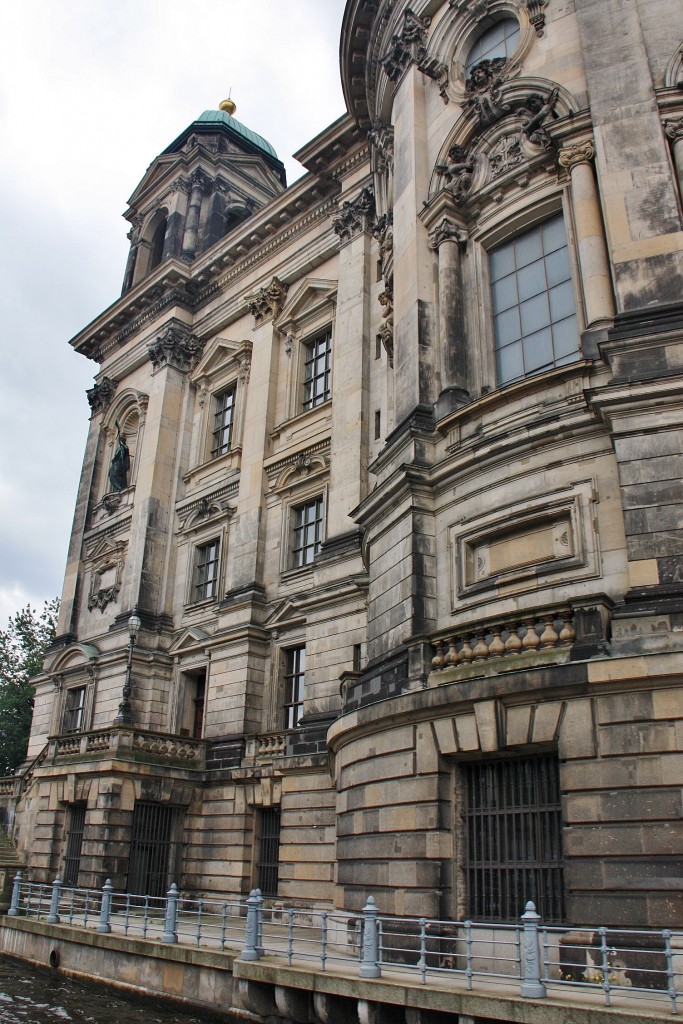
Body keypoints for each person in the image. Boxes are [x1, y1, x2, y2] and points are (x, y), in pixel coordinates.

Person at [108, 422, 130, 492]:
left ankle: (121, 488)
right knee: (111, 476)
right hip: (116, 464)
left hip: (120, 464)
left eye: (121, 440)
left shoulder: (124, 447)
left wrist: (122, 445)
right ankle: (118, 489)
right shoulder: (119, 448)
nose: (120, 441)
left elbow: (125, 450)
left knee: (115, 475)